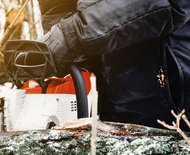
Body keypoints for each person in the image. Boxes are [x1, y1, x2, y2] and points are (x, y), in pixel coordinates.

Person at [29, 0, 190, 130]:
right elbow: (58, 7)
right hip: (111, 89)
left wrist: (71, 35)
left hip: (168, 87)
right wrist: (68, 54)